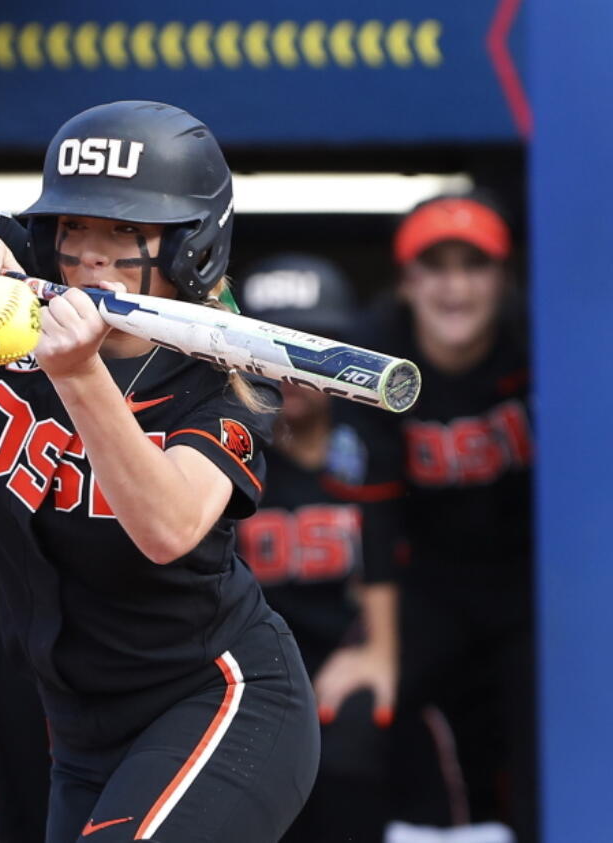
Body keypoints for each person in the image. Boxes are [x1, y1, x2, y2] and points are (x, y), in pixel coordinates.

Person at [0, 100, 319, 842]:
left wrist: (77, 375)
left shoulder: (229, 378)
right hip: (79, 725)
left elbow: (168, 527)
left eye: (125, 231)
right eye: (76, 226)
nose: (92, 254)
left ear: (188, 247)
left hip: (217, 699)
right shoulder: (27, 273)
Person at [356, 192, 536, 842]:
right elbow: (374, 508)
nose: (455, 286)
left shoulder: (536, 335)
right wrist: (380, 649)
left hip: (532, 576)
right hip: (430, 579)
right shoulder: (377, 348)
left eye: (475, 265)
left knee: (542, 718)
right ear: (407, 283)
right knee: (376, 709)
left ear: (503, 279)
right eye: (436, 266)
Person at [235, 254, 400, 843]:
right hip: (253, 674)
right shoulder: (224, 449)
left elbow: (406, 572)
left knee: (359, 732)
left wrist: (381, 652)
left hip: (346, 667)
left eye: (311, 347)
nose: (290, 369)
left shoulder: (373, 450)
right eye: (272, 347)